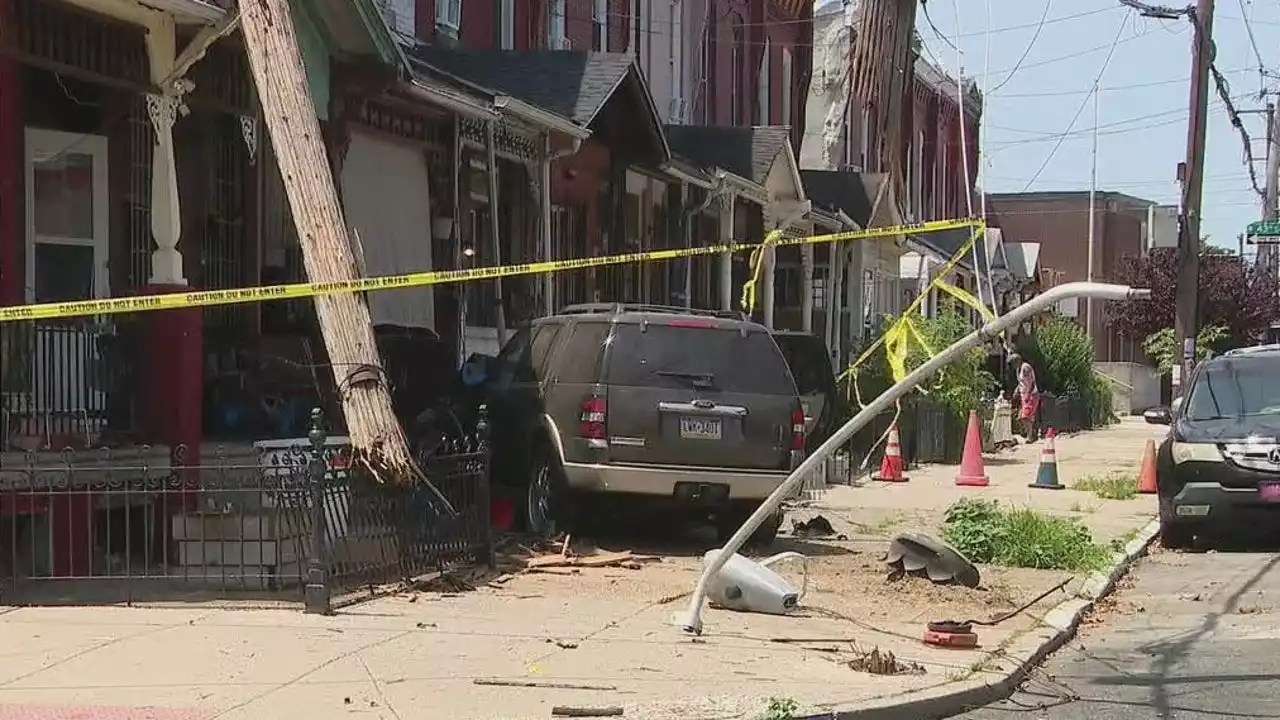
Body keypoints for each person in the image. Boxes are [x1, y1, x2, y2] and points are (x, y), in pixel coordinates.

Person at [1010, 352, 1039, 442]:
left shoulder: (1025, 368)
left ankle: (1030, 436)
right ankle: (1030, 434)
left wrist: (1027, 395)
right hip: (1024, 395)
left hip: (1031, 395)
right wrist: (1017, 390)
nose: (1012, 365)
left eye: (1013, 362)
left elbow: (1030, 382)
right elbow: (1021, 382)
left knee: (1025, 417)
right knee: (1023, 417)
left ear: (1017, 361)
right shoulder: (1018, 369)